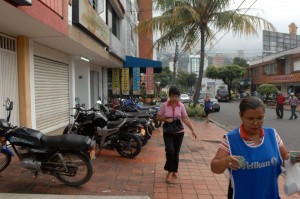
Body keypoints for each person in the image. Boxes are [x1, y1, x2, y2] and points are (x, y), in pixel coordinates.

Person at [211, 96, 290, 199]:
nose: (256, 123)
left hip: (270, 195)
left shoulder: (272, 135)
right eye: (250, 118)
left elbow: (286, 158)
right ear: (241, 116)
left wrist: (294, 158)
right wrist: (226, 161)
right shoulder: (231, 139)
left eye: (260, 118)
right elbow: (214, 167)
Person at [156, 86, 197, 184]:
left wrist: (193, 129)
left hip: (179, 132)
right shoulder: (164, 105)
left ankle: (174, 170)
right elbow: (157, 117)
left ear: (178, 97)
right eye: (172, 96)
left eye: (176, 96)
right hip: (168, 131)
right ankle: (170, 171)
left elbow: (185, 118)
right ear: (169, 96)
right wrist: (165, 119)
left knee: (176, 152)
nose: (174, 98)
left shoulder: (181, 106)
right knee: (170, 151)